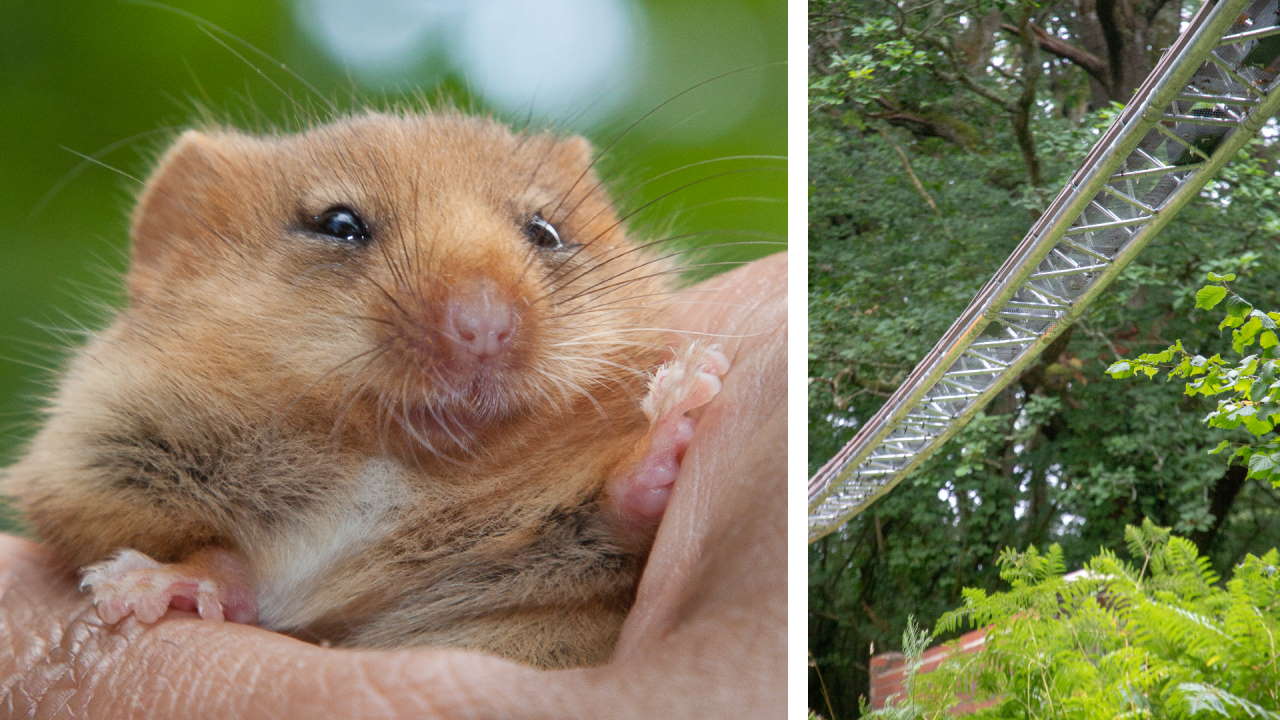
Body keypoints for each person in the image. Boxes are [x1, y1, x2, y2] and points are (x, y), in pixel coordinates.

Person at [0, 254, 786, 719]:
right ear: (184, 252)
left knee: (617, 516)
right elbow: (73, 487)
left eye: (542, 235)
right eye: (345, 231)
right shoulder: (178, 404)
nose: (480, 321)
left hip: (523, 616)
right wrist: (203, 558)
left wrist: (622, 493)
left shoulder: (616, 397)